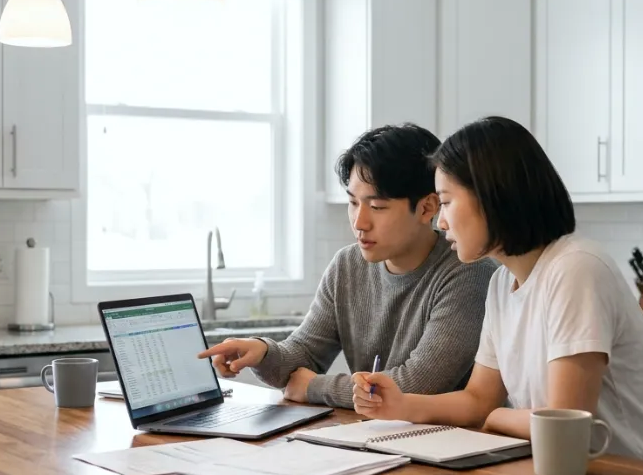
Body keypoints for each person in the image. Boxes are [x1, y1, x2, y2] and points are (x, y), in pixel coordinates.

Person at [351, 116, 643, 468]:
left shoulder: (575, 268)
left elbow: (564, 420)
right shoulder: (501, 283)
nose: (442, 221)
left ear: (491, 196)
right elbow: (477, 398)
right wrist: (399, 404)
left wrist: (495, 417)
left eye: (447, 202)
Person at [197, 123, 498, 409]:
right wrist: (261, 352)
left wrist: (315, 387)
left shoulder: (467, 272)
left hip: (449, 445)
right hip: (374, 436)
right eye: (353, 203)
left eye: (377, 207)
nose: (359, 222)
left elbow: (417, 383)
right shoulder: (347, 265)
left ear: (427, 207)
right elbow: (302, 355)